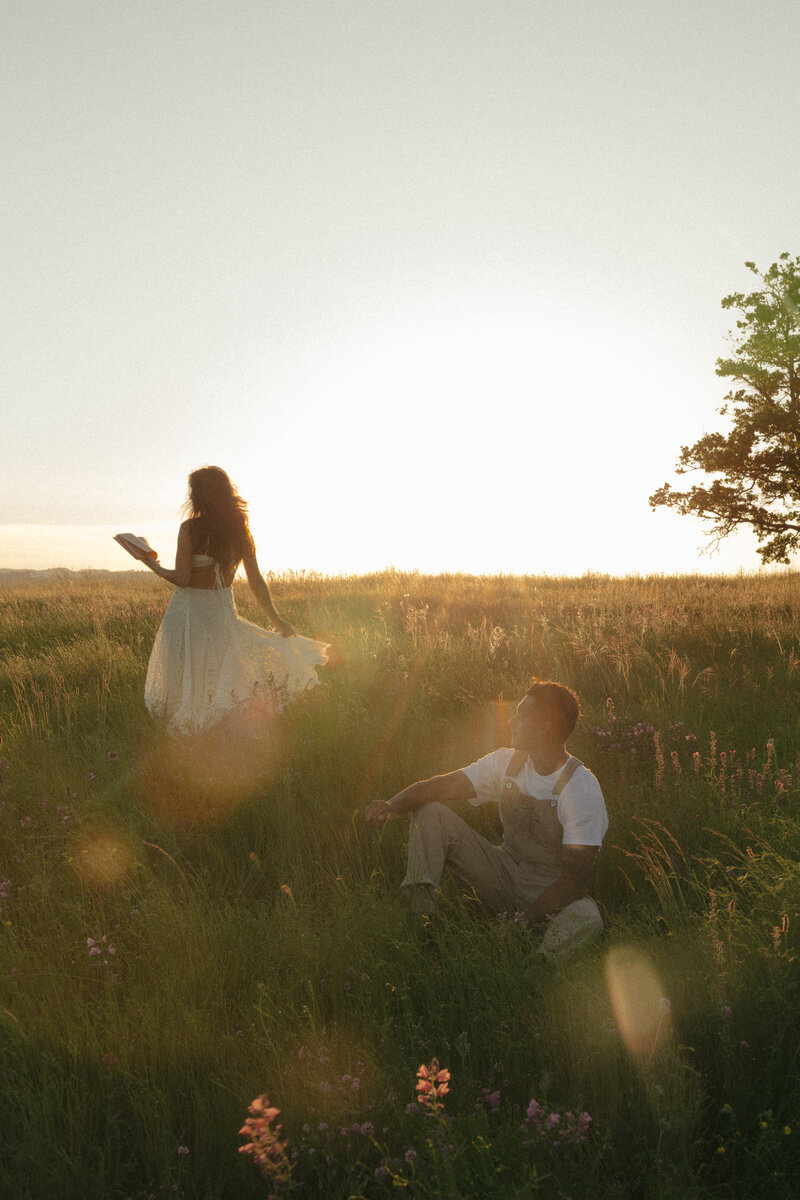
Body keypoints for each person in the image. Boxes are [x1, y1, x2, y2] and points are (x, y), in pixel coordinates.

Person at [365, 678, 608, 958]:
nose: (511, 722)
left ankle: (537, 968)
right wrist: (391, 805)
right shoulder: (506, 762)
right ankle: (421, 926)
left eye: (521, 715)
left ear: (544, 727)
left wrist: (520, 925)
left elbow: (574, 881)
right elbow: (442, 786)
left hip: (550, 887)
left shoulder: (581, 788)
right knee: (431, 812)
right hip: (502, 872)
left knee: (588, 916)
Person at [141, 466, 328, 736]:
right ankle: (220, 728)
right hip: (221, 612)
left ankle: (197, 731)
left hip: (189, 612)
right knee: (219, 670)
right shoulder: (240, 530)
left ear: (200, 494)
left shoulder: (190, 528)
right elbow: (256, 582)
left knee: (187, 673)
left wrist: (152, 564)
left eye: (193, 490)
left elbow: (182, 578)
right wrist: (277, 619)